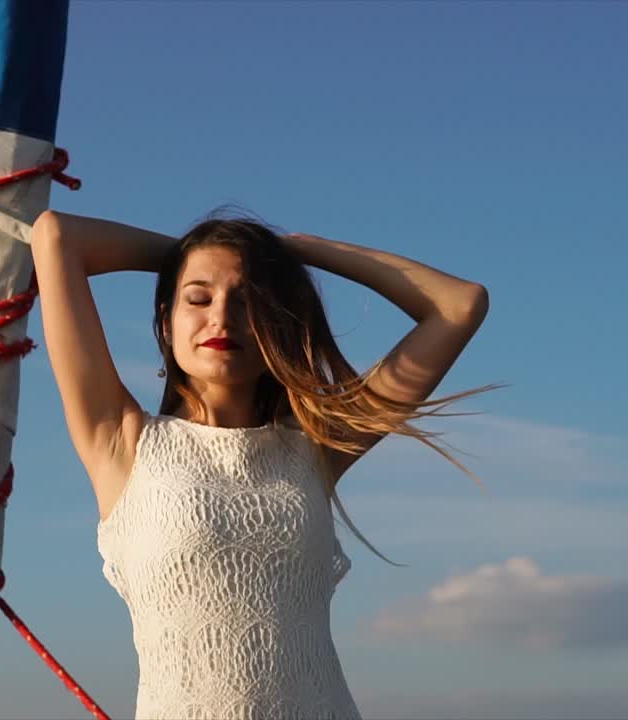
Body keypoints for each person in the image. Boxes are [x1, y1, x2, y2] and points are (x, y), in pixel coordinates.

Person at [30, 207, 499, 719]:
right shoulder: (120, 439)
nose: (221, 317)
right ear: (166, 324)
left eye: (249, 300)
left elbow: (459, 304)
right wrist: (194, 255)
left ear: (277, 323)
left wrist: (295, 255)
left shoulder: (316, 446)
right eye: (198, 298)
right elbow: (57, 236)